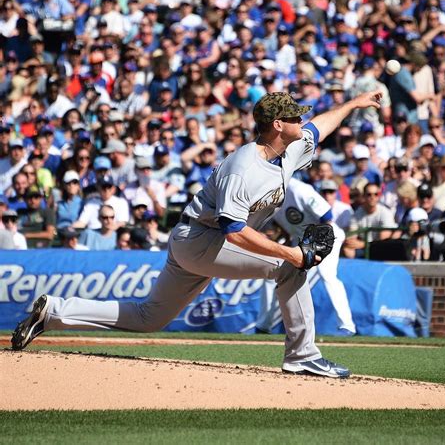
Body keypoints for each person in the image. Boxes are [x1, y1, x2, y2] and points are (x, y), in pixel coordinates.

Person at [11, 90, 382, 379]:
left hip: (194, 241)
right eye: (292, 115)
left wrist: (354, 103)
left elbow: (320, 126)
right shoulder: (244, 167)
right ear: (277, 125)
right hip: (204, 240)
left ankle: (56, 311)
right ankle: (303, 357)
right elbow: (234, 231)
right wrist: (289, 253)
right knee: (290, 269)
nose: (301, 118)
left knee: (149, 317)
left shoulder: (287, 150)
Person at [257, 178, 356, 336]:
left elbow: (326, 216)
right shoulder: (266, 195)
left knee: (327, 275)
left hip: (325, 234)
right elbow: (284, 227)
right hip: (301, 240)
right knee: (275, 274)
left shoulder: (298, 190)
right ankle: (263, 326)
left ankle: (347, 326)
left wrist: (320, 246)